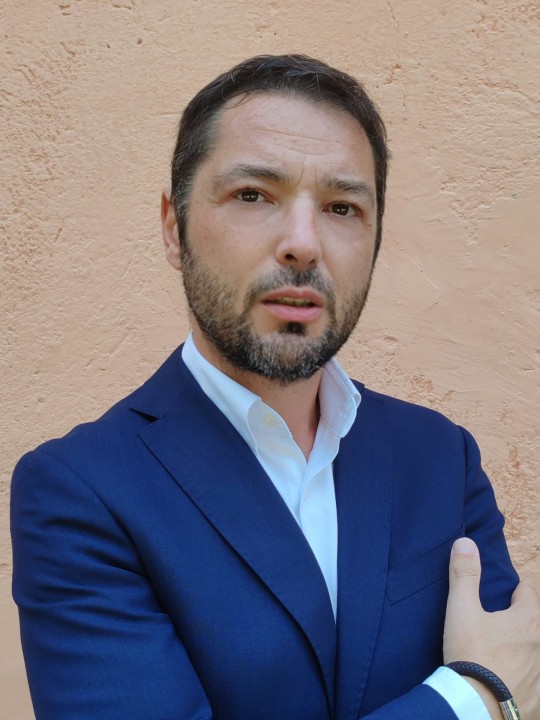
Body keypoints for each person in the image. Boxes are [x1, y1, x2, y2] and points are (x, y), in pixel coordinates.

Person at [11, 54, 539, 720]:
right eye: (253, 195)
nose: (303, 244)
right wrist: (474, 697)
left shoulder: (440, 456)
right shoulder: (80, 492)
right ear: (174, 227)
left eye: (342, 207)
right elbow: (506, 684)